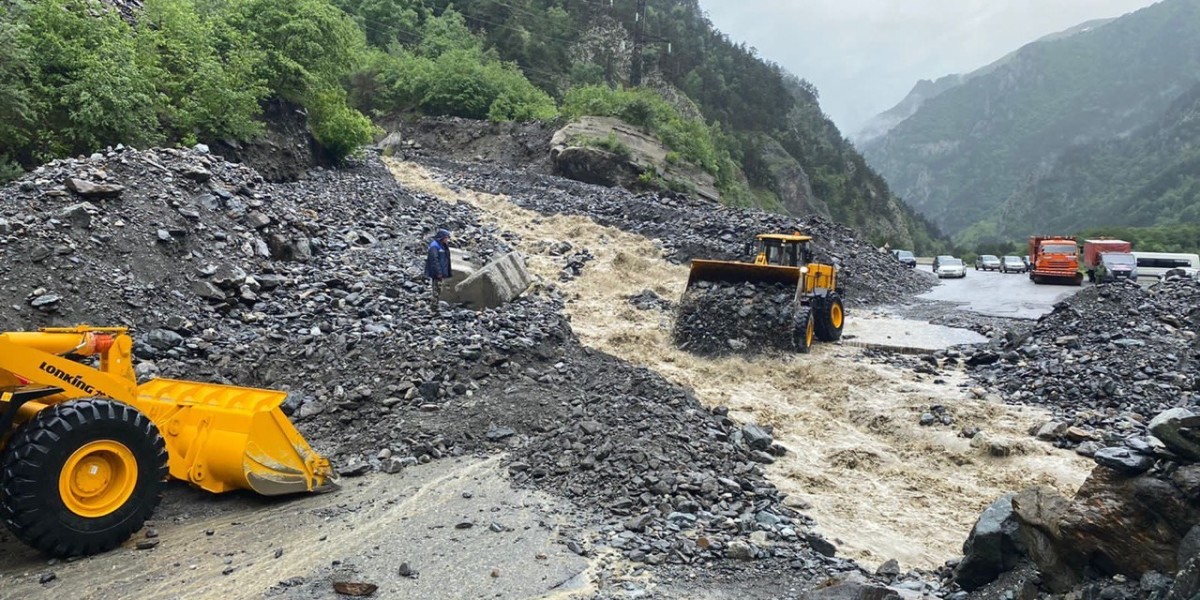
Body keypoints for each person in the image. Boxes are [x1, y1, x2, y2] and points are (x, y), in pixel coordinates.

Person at [425, 228, 452, 314]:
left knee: (438, 289)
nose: (447, 239)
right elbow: (434, 261)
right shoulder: (434, 246)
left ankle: (435, 306)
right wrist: (438, 273)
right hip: (436, 273)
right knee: (436, 290)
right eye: (446, 237)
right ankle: (433, 309)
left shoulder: (442, 245)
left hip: (441, 272)